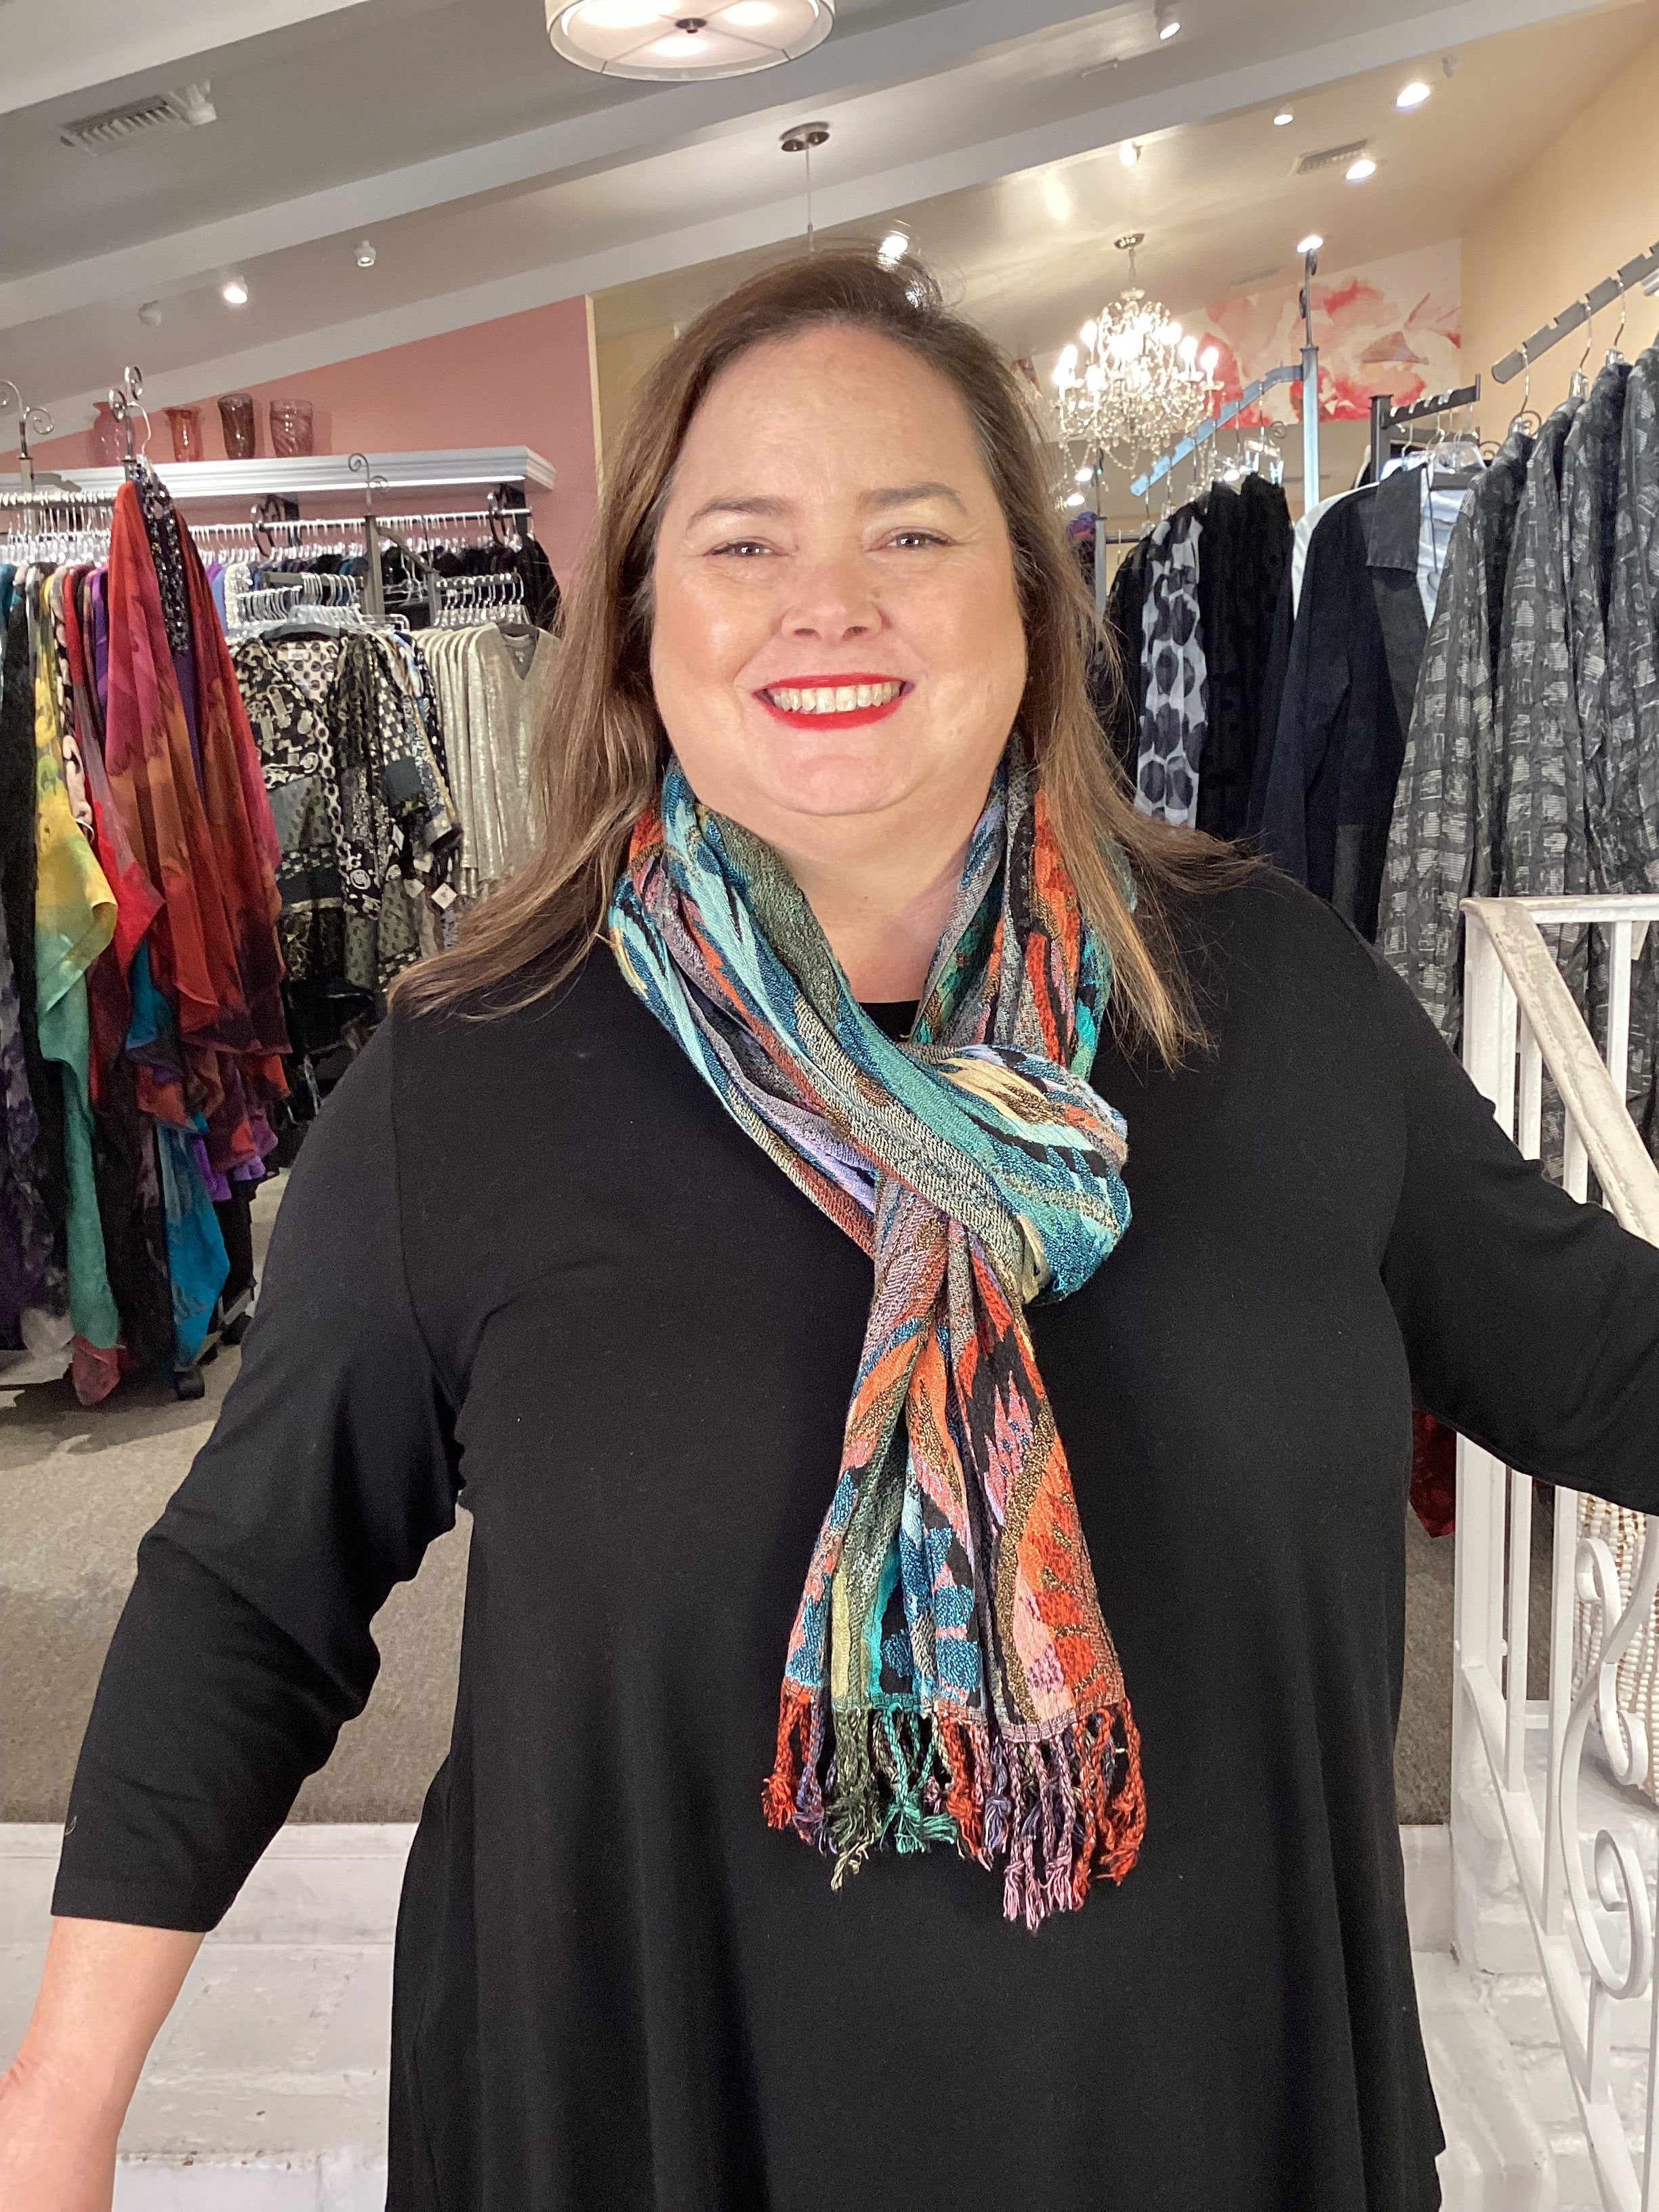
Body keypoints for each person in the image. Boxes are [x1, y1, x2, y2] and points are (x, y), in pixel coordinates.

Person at [3, 244, 1658, 2212]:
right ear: (640, 622)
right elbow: (250, 1596)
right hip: (653, 2122)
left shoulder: (1277, 1001)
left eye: (910, 530)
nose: (830, 601)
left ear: (1029, 597)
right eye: (743, 542)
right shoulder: (472, 1079)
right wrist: (57, 2109)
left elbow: (1595, 1352)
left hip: (1216, 2118)